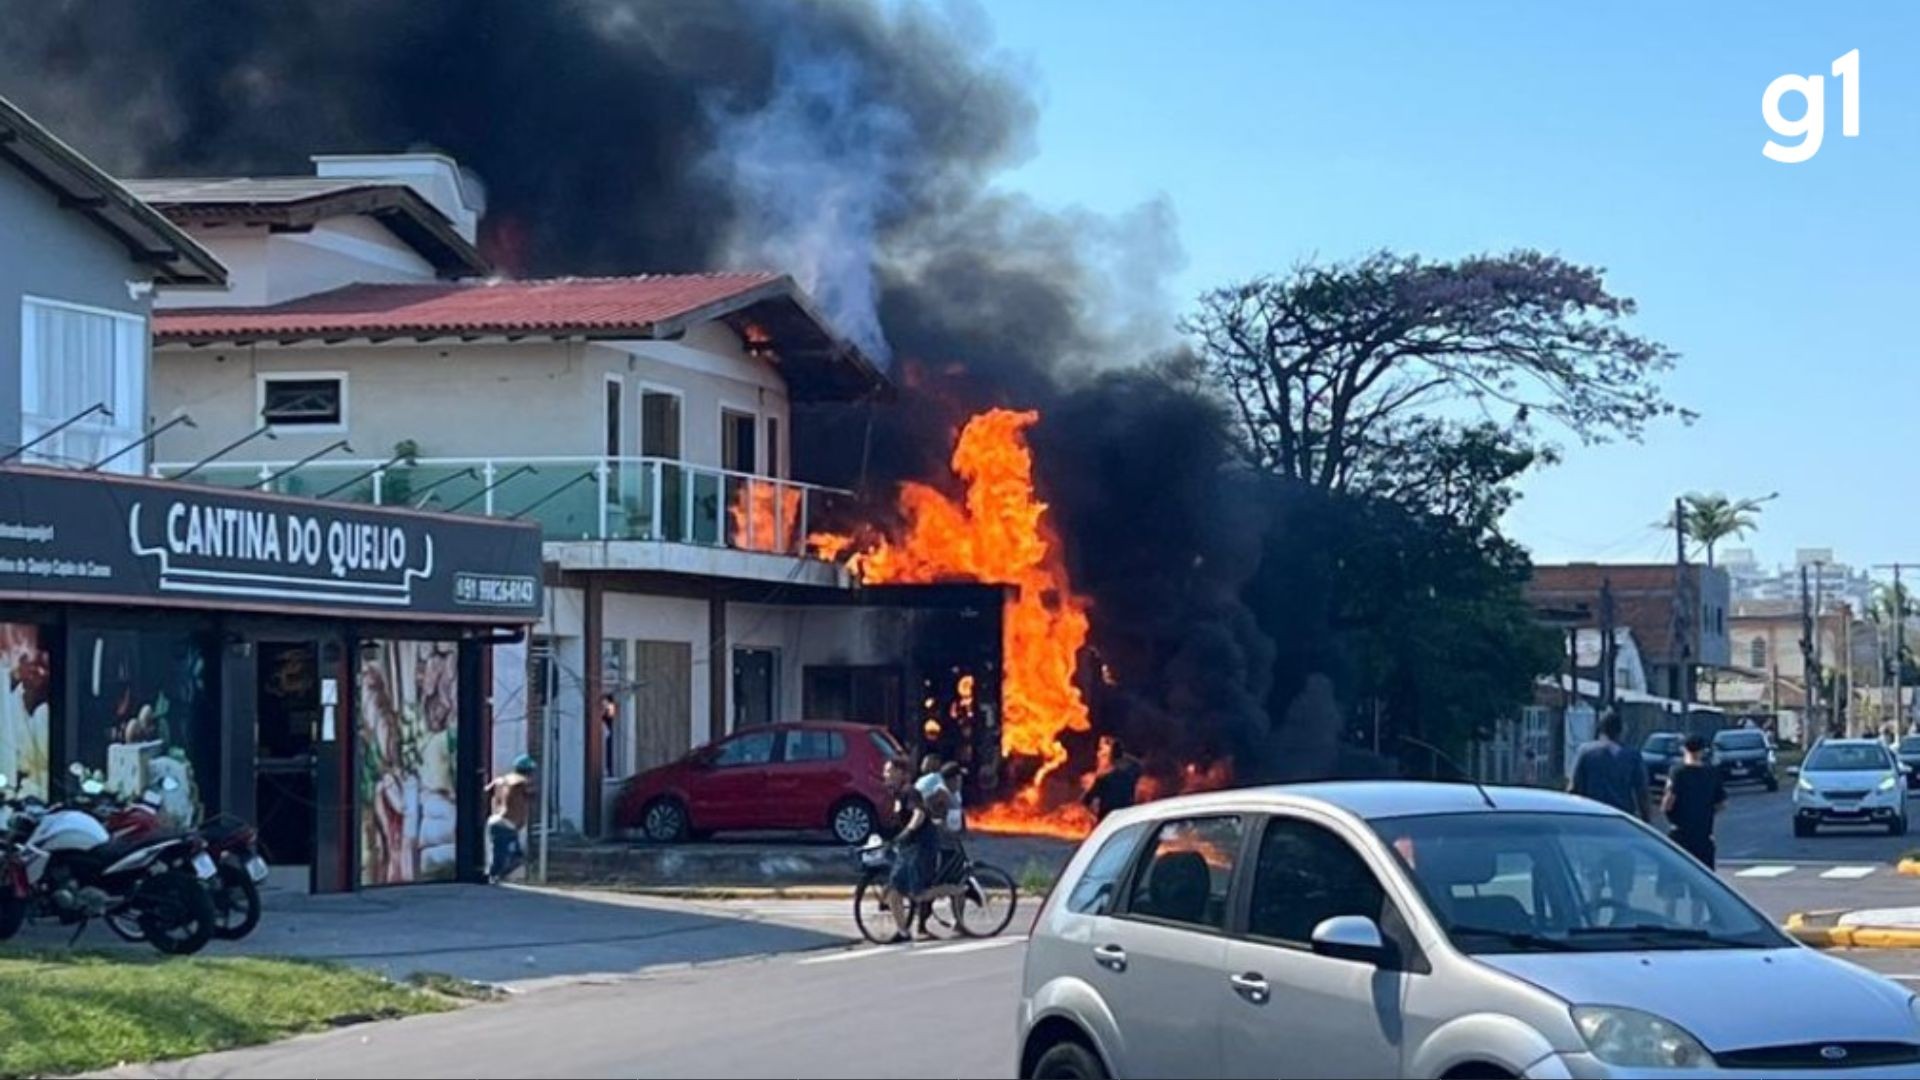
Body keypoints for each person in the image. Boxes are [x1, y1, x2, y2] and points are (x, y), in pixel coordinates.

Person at [1568, 710, 1651, 819]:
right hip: (1621, 817)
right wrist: (1645, 819)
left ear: (1600, 730)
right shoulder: (1632, 756)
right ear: (1621, 731)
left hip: (1591, 814)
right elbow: (1642, 793)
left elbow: (1573, 788)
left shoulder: (1585, 752)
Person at [1662, 734, 1726, 869]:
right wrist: (1706, 811)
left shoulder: (1677, 772)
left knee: (1678, 874)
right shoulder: (1712, 773)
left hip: (1680, 835)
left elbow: (1669, 802)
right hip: (1703, 836)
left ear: (1684, 749)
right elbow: (1721, 804)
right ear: (1702, 751)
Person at [486, 754, 536, 883]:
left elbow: (487, 790)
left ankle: (496, 876)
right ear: (528, 771)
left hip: (497, 820)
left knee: (512, 855)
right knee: (506, 855)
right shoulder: (522, 782)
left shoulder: (501, 780)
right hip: (506, 823)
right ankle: (493, 876)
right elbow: (530, 794)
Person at [1083, 738, 1143, 821]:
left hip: (1112, 817)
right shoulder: (1130, 770)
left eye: (1102, 752)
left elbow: (1088, 799)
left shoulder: (1107, 777)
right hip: (1124, 815)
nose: (1098, 755)